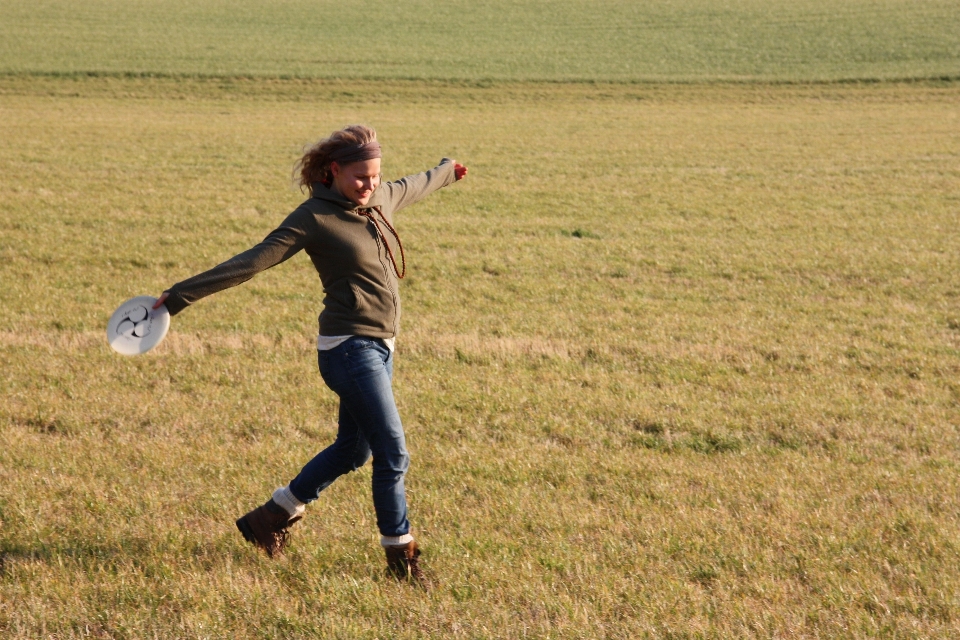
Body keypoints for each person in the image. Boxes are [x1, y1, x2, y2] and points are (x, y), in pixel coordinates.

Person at [153, 124, 467, 587]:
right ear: (333, 171)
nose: (370, 185)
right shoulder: (313, 218)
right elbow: (252, 261)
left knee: (352, 450)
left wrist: (448, 170)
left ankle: (270, 518)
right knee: (392, 451)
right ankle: (401, 559)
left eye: (375, 176)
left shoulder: (378, 200)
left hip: (381, 348)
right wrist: (178, 296)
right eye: (360, 177)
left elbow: (415, 184)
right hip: (348, 349)